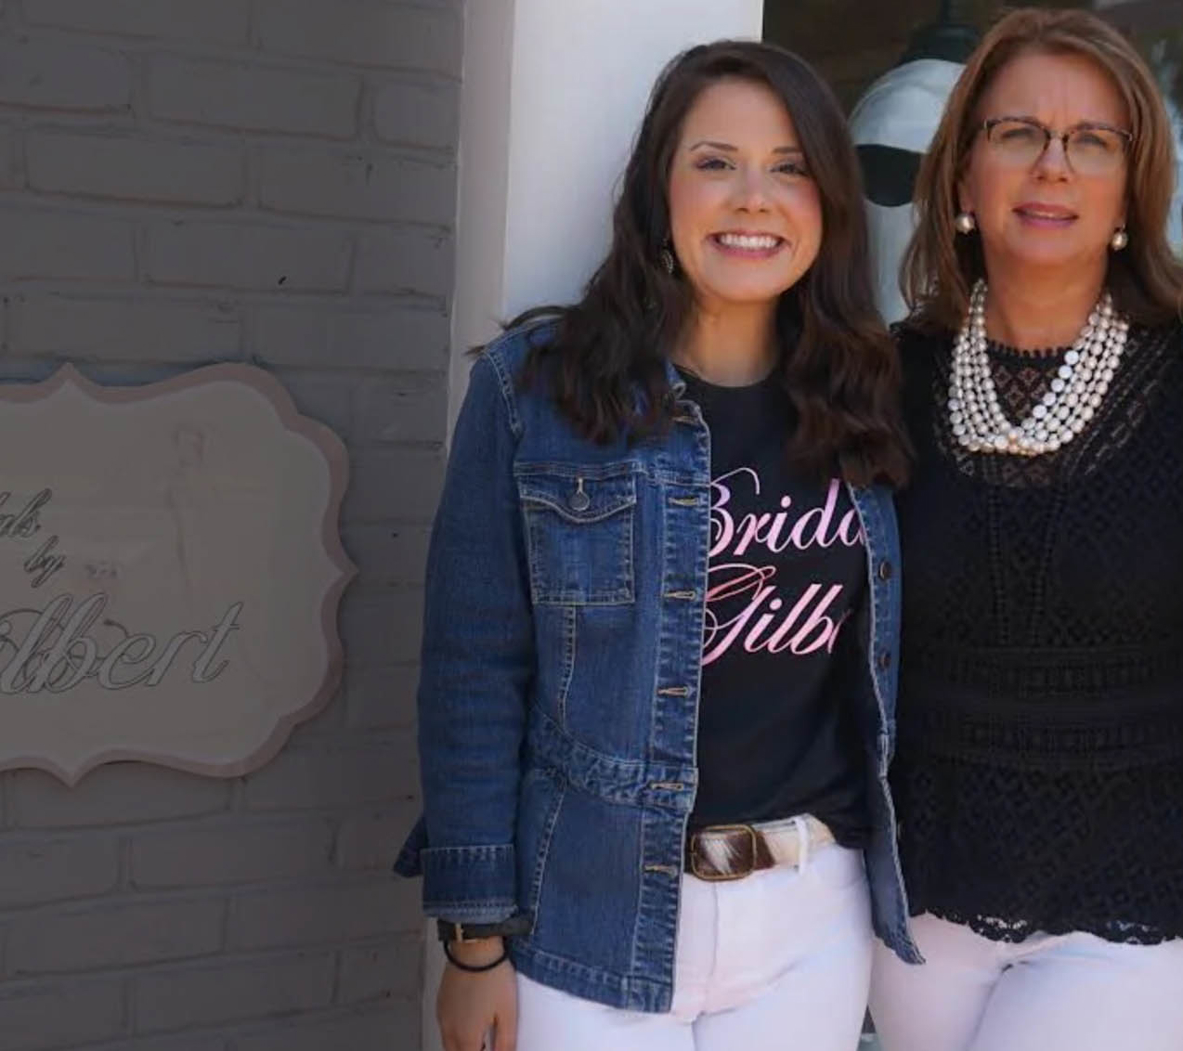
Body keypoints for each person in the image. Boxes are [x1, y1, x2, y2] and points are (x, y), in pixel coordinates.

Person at [391, 38, 920, 1051]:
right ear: (657, 196)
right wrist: (470, 943)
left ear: (829, 203)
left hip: (809, 918)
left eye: (790, 165)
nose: (751, 197)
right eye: (714, 162)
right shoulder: (535, 393)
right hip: (587, 912)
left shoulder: (870, 403)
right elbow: (470, 675)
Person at [866, 9, 1183, 1051]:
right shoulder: (877, 380)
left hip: (1153, 866)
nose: (1052, 166)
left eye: (1091, 141)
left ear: (1131, 187)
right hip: (923, 863)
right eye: (1016, 134)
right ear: (960, 176)